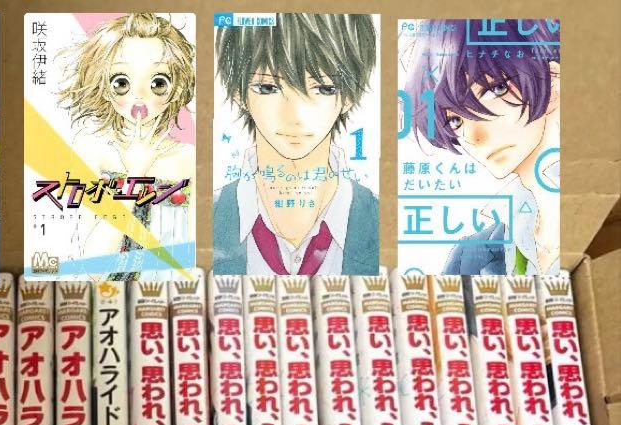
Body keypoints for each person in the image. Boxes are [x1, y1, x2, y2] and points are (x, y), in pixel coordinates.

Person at [213, 13, 378, 276]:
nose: (295, 116)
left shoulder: (381, 221)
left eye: (323, 88)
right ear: (237, 92)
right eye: (268, 88)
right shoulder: (203, 217)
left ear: (349, 94)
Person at [403, 19, 560, 276]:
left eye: (494, 89)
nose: (473, 137)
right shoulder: (470, 259)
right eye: (455, 120)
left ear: (553, 80)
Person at [56, 12, 195, 278]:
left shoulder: (188, 159)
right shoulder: (92, 150)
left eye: (158, 83)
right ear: (103, 85)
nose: (139, 96)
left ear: (177, 87)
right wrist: (135, 174)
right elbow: (92, 266)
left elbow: (194, 260)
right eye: (121, 83)